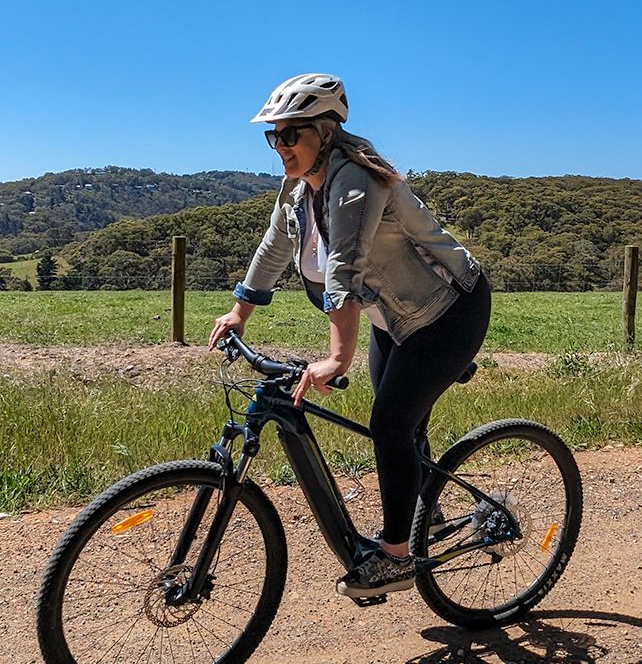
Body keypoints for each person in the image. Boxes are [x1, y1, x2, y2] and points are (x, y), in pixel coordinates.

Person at [209, 73, 491, 599]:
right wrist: (239, 311)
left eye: (290, 134)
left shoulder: (356, 180)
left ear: (324, 131)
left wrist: (337, 356)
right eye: (273, 136)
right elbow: (273, 246)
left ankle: (397, 558)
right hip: (397, 316)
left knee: (390, 424)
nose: (280, 146)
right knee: (400, 424)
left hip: (448, 311)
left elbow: (346, 264)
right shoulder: (298, 189)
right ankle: (425, 518)